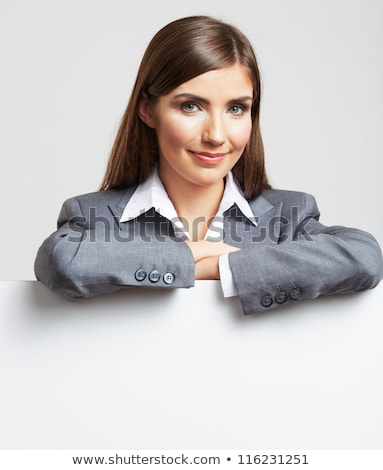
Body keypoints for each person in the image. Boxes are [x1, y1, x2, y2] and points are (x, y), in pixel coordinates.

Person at [34, 15, 383, 315]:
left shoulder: (286, 217)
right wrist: (190, 256)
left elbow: (364, 257)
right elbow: (62, 261)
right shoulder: (97, 215)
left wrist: (227, 266)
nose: (216, 135)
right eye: (191, 106)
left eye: (236, 108)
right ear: (147, 110)